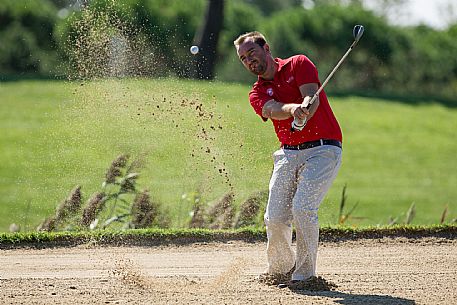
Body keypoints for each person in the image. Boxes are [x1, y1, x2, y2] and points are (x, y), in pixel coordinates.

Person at [233, 31, 342, 288]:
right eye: (243, 59)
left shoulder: (298, 63)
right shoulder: (256, 92)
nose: (249, 60)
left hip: (323, 149)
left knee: (303, 207)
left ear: (266, 48)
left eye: (251, 53)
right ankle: (280, 270)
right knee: (275, 216)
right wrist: (293, 110)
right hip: (288, 153)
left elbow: (310, 96)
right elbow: (271, 109)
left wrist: (304, 108)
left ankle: (305, 276)